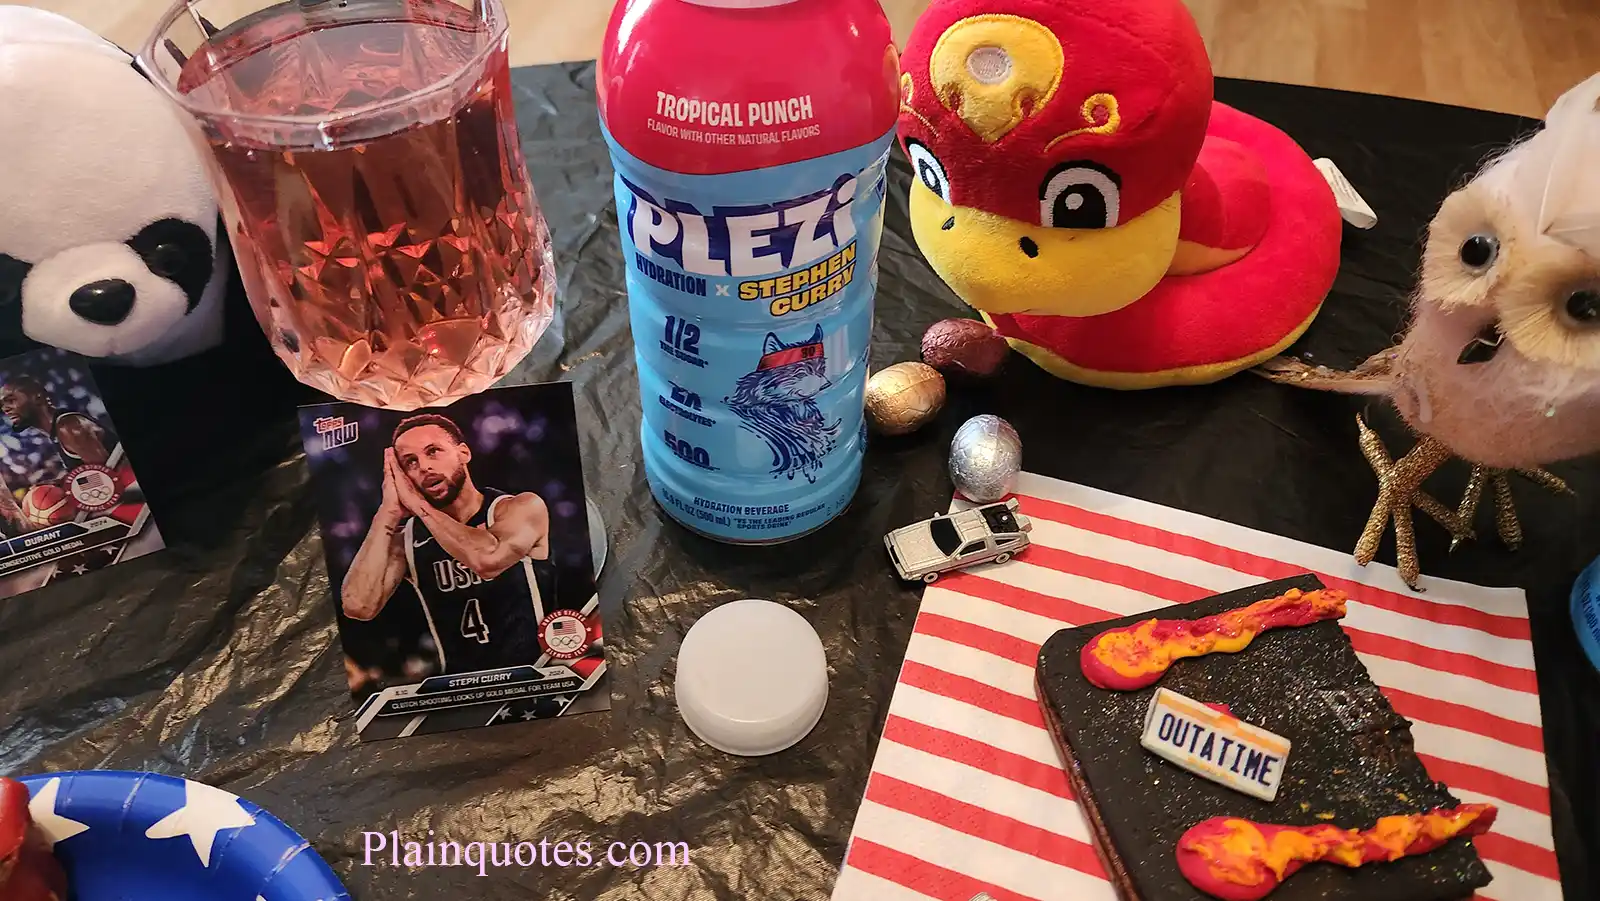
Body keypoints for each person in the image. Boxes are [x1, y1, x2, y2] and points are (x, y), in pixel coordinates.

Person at [340, 413, 557, 674]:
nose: (424, 466)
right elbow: (358, 605)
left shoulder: (519, 508)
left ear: (463, 453)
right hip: (461, 686)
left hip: (538, 675)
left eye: (433, 451)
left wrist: (418, 506)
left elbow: (487, 561)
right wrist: (387, 513)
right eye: (410, 462)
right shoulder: (408, 538)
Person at [0, 375, 113, 467]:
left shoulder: (68, 427)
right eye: (2, 405)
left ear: (38, 398)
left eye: (11, 400)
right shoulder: (58, 430)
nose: (5, 409)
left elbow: (109, 478)